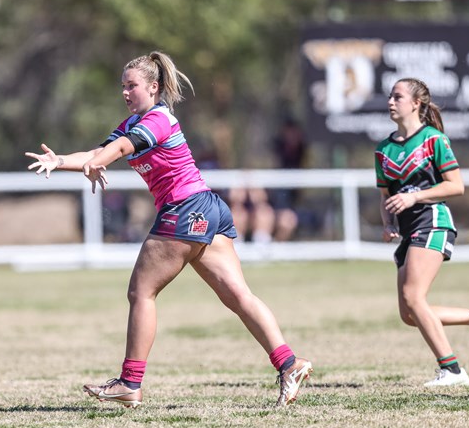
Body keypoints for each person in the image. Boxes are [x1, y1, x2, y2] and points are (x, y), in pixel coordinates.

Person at [26, 51, 312, 408]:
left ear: (153, 87)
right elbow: (100, 150)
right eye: (123, 87)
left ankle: (130, 383)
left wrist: (100, 160)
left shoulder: (158, 119)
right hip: (205, 206)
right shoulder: (132, 123)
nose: (126, 93)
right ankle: (289, 363)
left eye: (132, 86)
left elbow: (120, 149)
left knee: (141, 292)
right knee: (238, 296)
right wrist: (60, 161)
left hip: (184, 208)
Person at [375, 78, 469, 387]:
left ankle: (452, 370)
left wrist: (414, 197)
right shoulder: (383, 149)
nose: (390, 102)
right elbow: (385, 197)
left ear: (416, 104)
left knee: (413, 297)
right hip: (408, 231)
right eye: (389, 96)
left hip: (432, 220)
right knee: (410, 314)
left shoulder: (433, 140)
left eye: (398, 96)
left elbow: (456, 185)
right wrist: (387, 224)